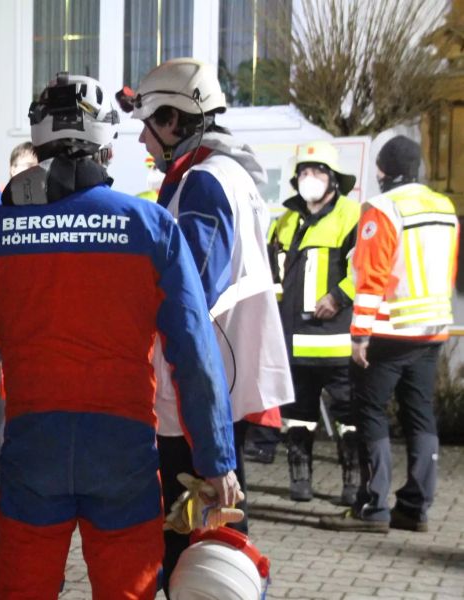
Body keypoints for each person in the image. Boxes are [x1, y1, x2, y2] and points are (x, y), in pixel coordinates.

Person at [0, 72, 241, 600]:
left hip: (33, 448)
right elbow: (194, 350)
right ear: (104, 140)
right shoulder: (150, 227)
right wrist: (215, 459)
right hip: (123, 452)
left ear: (39, 137)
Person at [119, 57, 293, 591]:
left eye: (148, 124)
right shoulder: (221, 174)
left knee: (196, 535)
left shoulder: (204, 182)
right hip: (214, 378)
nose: (144, 139)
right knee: (209, 523)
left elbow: (190, 287)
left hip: (197, 384)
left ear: (174, 121)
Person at [321, 135, 458, 533]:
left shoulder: (382, 209)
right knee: (420, 415)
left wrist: (359, 334)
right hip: (432, 329)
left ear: (383, 171)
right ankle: (416, 507)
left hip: (387, 331)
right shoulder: (444, 206)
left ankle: (373, 506)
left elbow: (371, 277)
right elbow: (447, 270)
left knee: (369, 413)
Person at [268, 141, 361, 504]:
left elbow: (365, 269)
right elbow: (272, 273)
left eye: (318, 171)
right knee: (297, 416)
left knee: (348, 417)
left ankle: (353, 483)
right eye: (304, 172)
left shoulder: (352, 215)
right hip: (292, 342)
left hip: (336, 342)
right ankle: (300, 478)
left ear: (334, 179)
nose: (311, 178)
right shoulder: (286, 220)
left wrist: (337, 297)